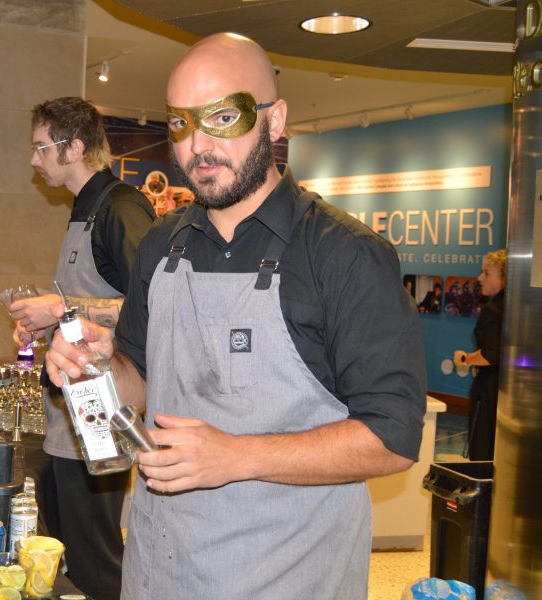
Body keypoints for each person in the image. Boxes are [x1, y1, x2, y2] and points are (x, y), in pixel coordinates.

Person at [46, 34, 426, 600]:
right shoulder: (160, 245)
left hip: (287, 579)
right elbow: (141, 380)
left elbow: (392, 437)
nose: (198, 145)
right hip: (160, 571)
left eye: (223, 117)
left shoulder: (344, 254)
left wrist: (237, 455)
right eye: (181, 124)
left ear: (275, 120)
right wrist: (96, 364)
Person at [9, 97, 155, 600]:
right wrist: (47, 324)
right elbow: (86, 309)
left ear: (73, 148)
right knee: (66, 557)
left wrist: (59, 307)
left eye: (40, 148)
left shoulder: (121, 208)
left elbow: (151, 305)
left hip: (101, 417)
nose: (33, 160)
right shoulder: (83, 209)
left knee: (96, 564)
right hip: (68, 416)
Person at [454, 249, 506, 460]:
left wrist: (465, 359)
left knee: (481, 450)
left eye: (487, 273)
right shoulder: (516, 309)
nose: (480, 278)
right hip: (505, 391)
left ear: (504, 277)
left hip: (488, 392)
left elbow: (490, 355)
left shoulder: (493, 310)